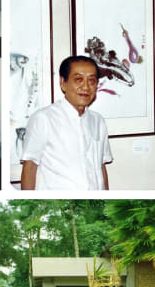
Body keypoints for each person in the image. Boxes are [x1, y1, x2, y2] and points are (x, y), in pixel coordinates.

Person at [20, 55, 112, 190]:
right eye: (78, 79)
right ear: (63, 83)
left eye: (91, 80)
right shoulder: (44, 118)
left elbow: (101, 166)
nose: (86, 87)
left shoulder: (98, 121)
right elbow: (30, 166)